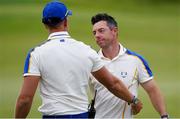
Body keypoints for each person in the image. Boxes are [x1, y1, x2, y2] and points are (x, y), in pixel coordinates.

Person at [15, 1, 143, 118]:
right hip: (81, 116)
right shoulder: (86, 51)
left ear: (45, 24)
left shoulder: (36, 53)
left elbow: (25, 99)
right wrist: (133, 100)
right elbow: (112, 84)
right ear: (66, 22)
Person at [89, 13, 169, 118]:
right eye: (94, 33)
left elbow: (152, 90)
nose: (97, 35)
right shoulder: (91, 62)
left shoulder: (135, 60)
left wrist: (164, 116)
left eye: (101, 31)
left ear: (114, 31)